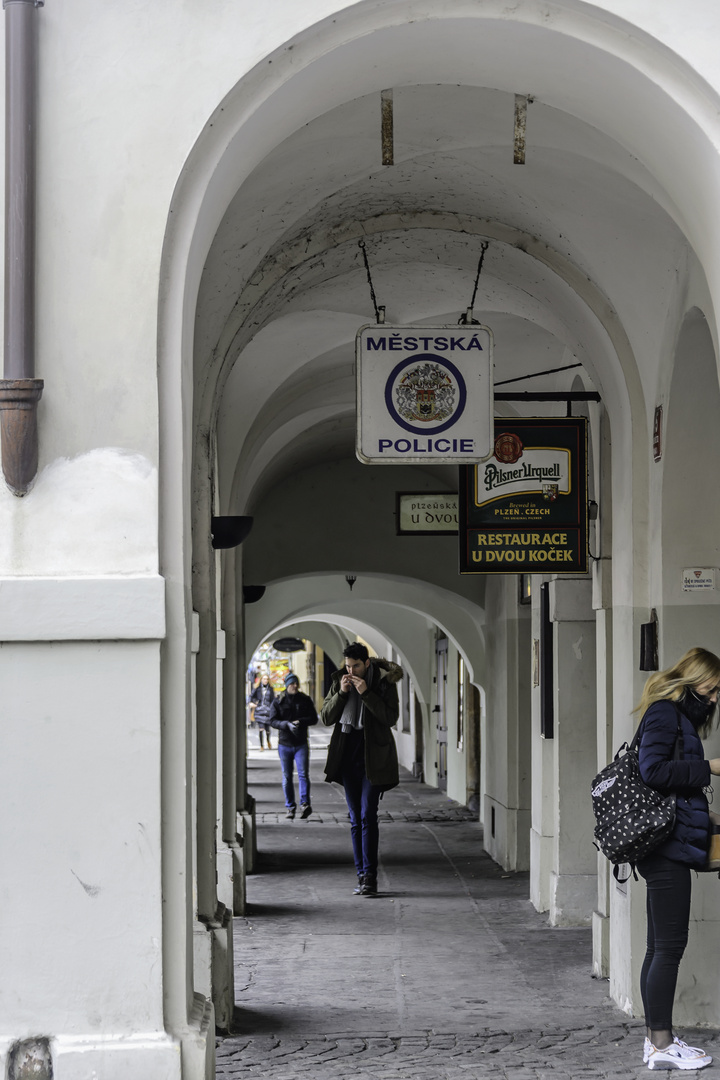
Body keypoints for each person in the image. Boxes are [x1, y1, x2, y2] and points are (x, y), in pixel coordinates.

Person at [635, 646, 720, 1071]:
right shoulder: (666, 713)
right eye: (711, 687)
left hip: (664, 843)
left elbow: (672, 785)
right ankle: (663, 1044)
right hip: (663, 847)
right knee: (669, 948)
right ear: (692, 679)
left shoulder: (674, 715)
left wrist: (707, 814)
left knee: (658, 948)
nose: (715, 697)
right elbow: (652, 771)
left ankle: (656, 1041)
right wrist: (712, 768)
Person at [321, 642, 402, 897]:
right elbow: (325, 717)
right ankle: (361, 875)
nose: (351, 671)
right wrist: (342, 693)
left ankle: (370, 876)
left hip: (373, 757)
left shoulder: (383, 682)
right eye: (347, 666)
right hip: (347, 757)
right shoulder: (340, 681)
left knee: (368, 814)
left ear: (366, 663)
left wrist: (366, 692)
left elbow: (390, 718)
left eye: (356, 666)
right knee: (355, 818)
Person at [268, 673, 318, 820]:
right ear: (286, 685)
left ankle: (305, 804)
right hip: (285, 744)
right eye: (292, 684)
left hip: (301, 743)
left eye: (296, 683)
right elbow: (272, 720)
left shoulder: (305, 700)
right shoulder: (278, 701)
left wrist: (300, 722)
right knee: (287, 777)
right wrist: (286, 725)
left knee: (303, 775)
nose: (295, 686)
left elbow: (314, 718)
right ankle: (290, 807)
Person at [249, 672, 274, 750]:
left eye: (267, 679)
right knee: (261, 728)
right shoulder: (257, 689)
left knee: (267, 730)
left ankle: (268, 740)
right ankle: (261, 746)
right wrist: (252, 703)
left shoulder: (270, 689)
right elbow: (251, 697)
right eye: (264, 679)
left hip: (268, 711)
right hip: (259, 710)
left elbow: (273, 700)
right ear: (261, 680)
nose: (265, 680)